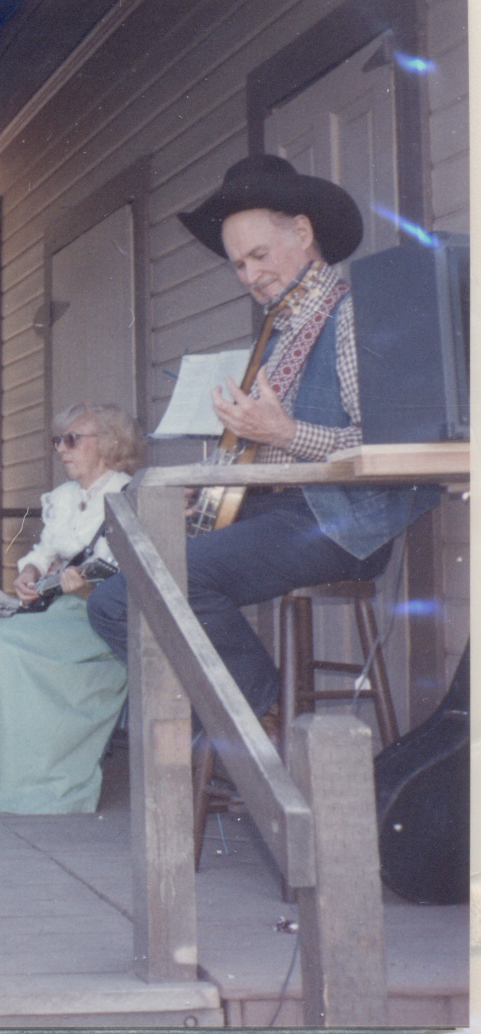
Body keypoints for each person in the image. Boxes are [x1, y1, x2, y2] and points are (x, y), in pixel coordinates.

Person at [87, 156, 441, 716]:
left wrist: (284, 430)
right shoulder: (279, 332)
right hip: (279, 511)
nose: (251, 276)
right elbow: (266, 452)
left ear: (302, 234)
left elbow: (383, 444)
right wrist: (209, 493)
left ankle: (262, 717)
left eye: (259, 256)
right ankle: (228, 729)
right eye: (238, 266)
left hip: (339, 521)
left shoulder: (351, 317)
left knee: (181, 580)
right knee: (112, 598)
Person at [0, 403, 143, 814]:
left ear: (108, 443)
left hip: (99, 622)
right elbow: (45, 550)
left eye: (72, 439)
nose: (61, 449)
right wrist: (30, 572)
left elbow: (123, 576)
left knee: (0, 647)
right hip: (57, 613)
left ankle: (15, 779)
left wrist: (86, 588)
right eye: (58, 440)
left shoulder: (128, 495)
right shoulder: (66, 498)